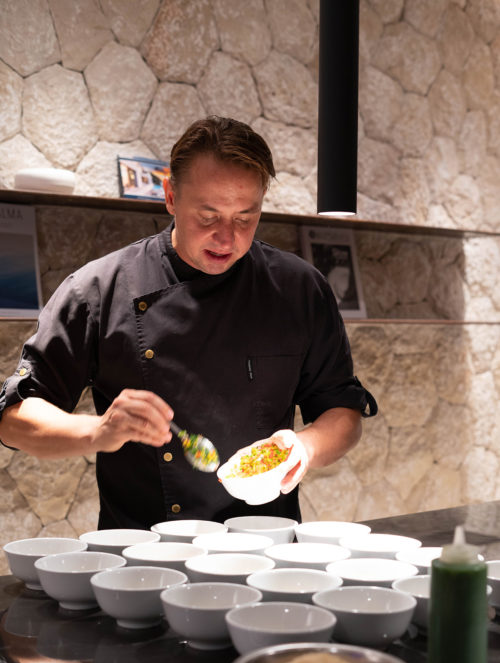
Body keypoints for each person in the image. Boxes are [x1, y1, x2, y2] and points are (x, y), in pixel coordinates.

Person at [0, 116, 377, 529]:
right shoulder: (99, 289)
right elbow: (14, 419)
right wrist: (98, 431)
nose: (227, 238)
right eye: (208, 216)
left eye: (245, 218)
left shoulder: (300, 289)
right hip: (144, 553)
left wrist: (303, 447)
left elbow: (342, 411)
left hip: (266, 548)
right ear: (170, 197)